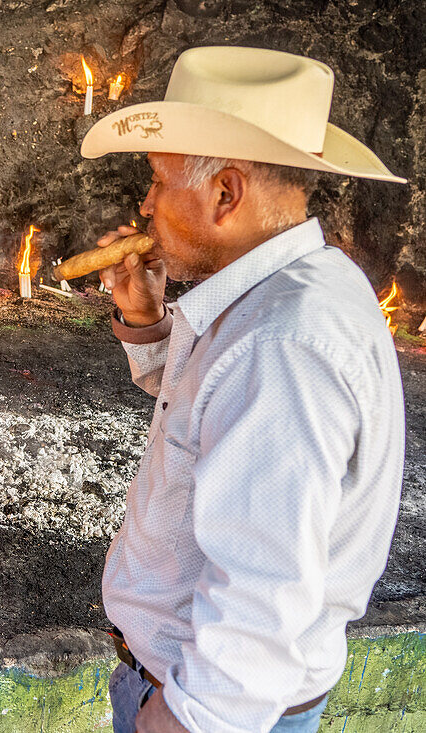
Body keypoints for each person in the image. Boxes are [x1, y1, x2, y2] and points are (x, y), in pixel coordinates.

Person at [78, 46, 407, 733]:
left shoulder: (279, 347)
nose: (145, 205)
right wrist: (146, 324)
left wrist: (171, 721)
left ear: (226, 192)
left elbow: (261, 601)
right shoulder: (288, 289)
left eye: (159, 182)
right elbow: (209, 409)